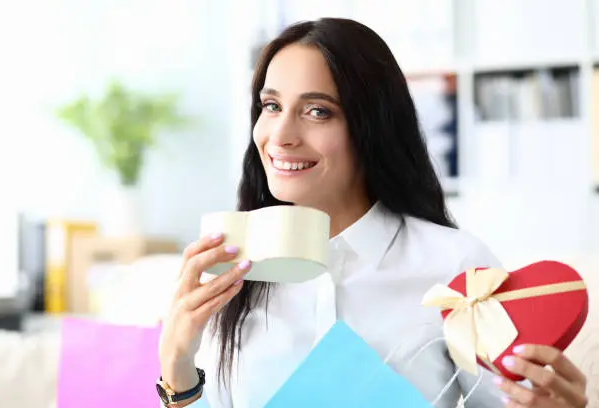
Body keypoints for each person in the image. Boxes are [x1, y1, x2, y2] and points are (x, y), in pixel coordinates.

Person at [157, 18, 588, 408]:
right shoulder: (234, 268)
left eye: (317, 111)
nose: (280, 135)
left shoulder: (456, 267)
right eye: (271, 106)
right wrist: (177, 366)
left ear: (372, 126)